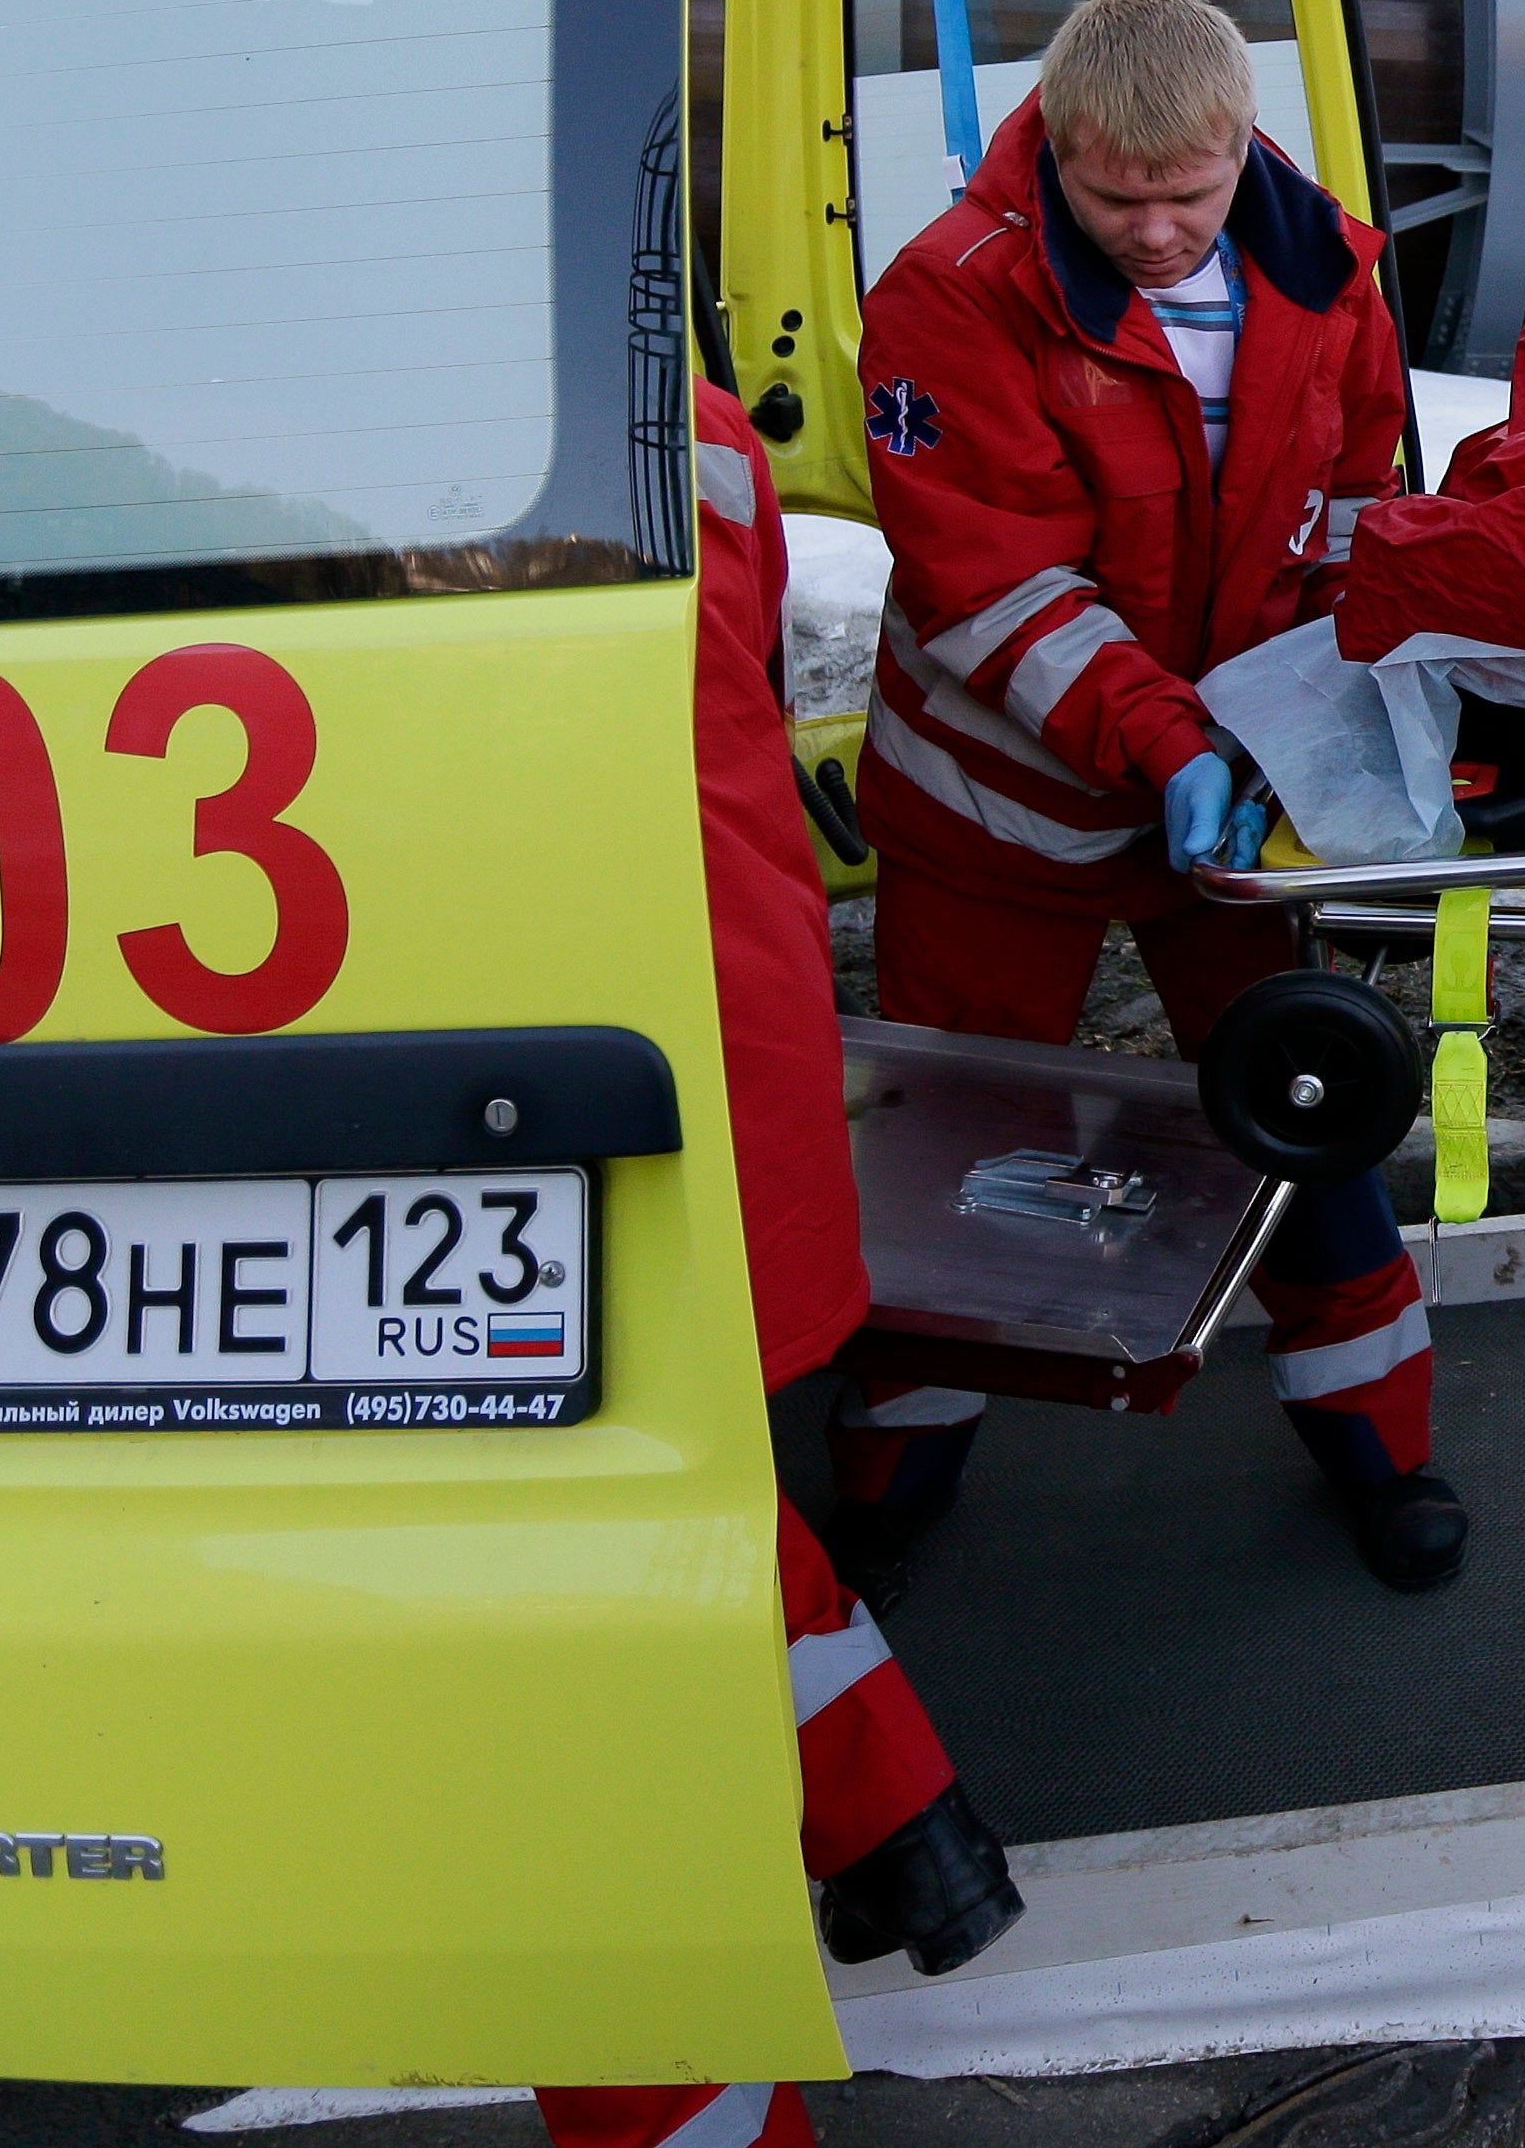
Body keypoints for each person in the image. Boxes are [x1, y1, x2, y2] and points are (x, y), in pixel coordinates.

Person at [838, 0, 1463, 1595]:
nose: (1158, 232)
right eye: (1118, 203)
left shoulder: (1325, 268)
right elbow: (989, 589)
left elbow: (1353, 505)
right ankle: (899, 1465)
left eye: (1188, 197)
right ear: (1058, 158)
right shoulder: (946, 299)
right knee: (943, 1144)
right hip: (998, 810)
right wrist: (1166, 735)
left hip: (1229, 804)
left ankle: (1381, 1444)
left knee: (1304, 1105)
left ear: (1234, 146)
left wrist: (1301, 728)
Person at [536, 386, 1024, 2148]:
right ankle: (902, 1826)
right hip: (699, 1073)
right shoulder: (692, 436)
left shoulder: (334, 480)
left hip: (547, 1083)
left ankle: (879, 1842)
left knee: (565, 1682)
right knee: (676, 1509)